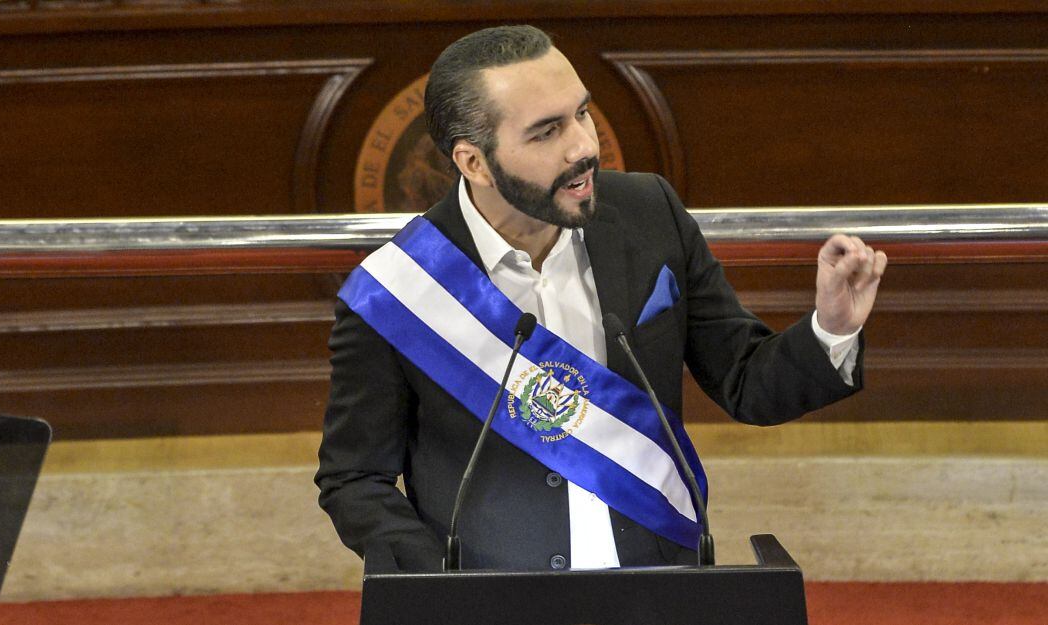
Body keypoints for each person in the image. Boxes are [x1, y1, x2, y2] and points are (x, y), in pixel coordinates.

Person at [314, 25, 886, 572]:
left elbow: (745, 381)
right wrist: (443, 587)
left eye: (581, 113)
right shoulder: (399, 290)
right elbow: (354, 480)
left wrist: (831, 328)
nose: (584, 147)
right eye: (546, 132)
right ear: (473, 162)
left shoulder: (650, 214)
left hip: (656, 591)